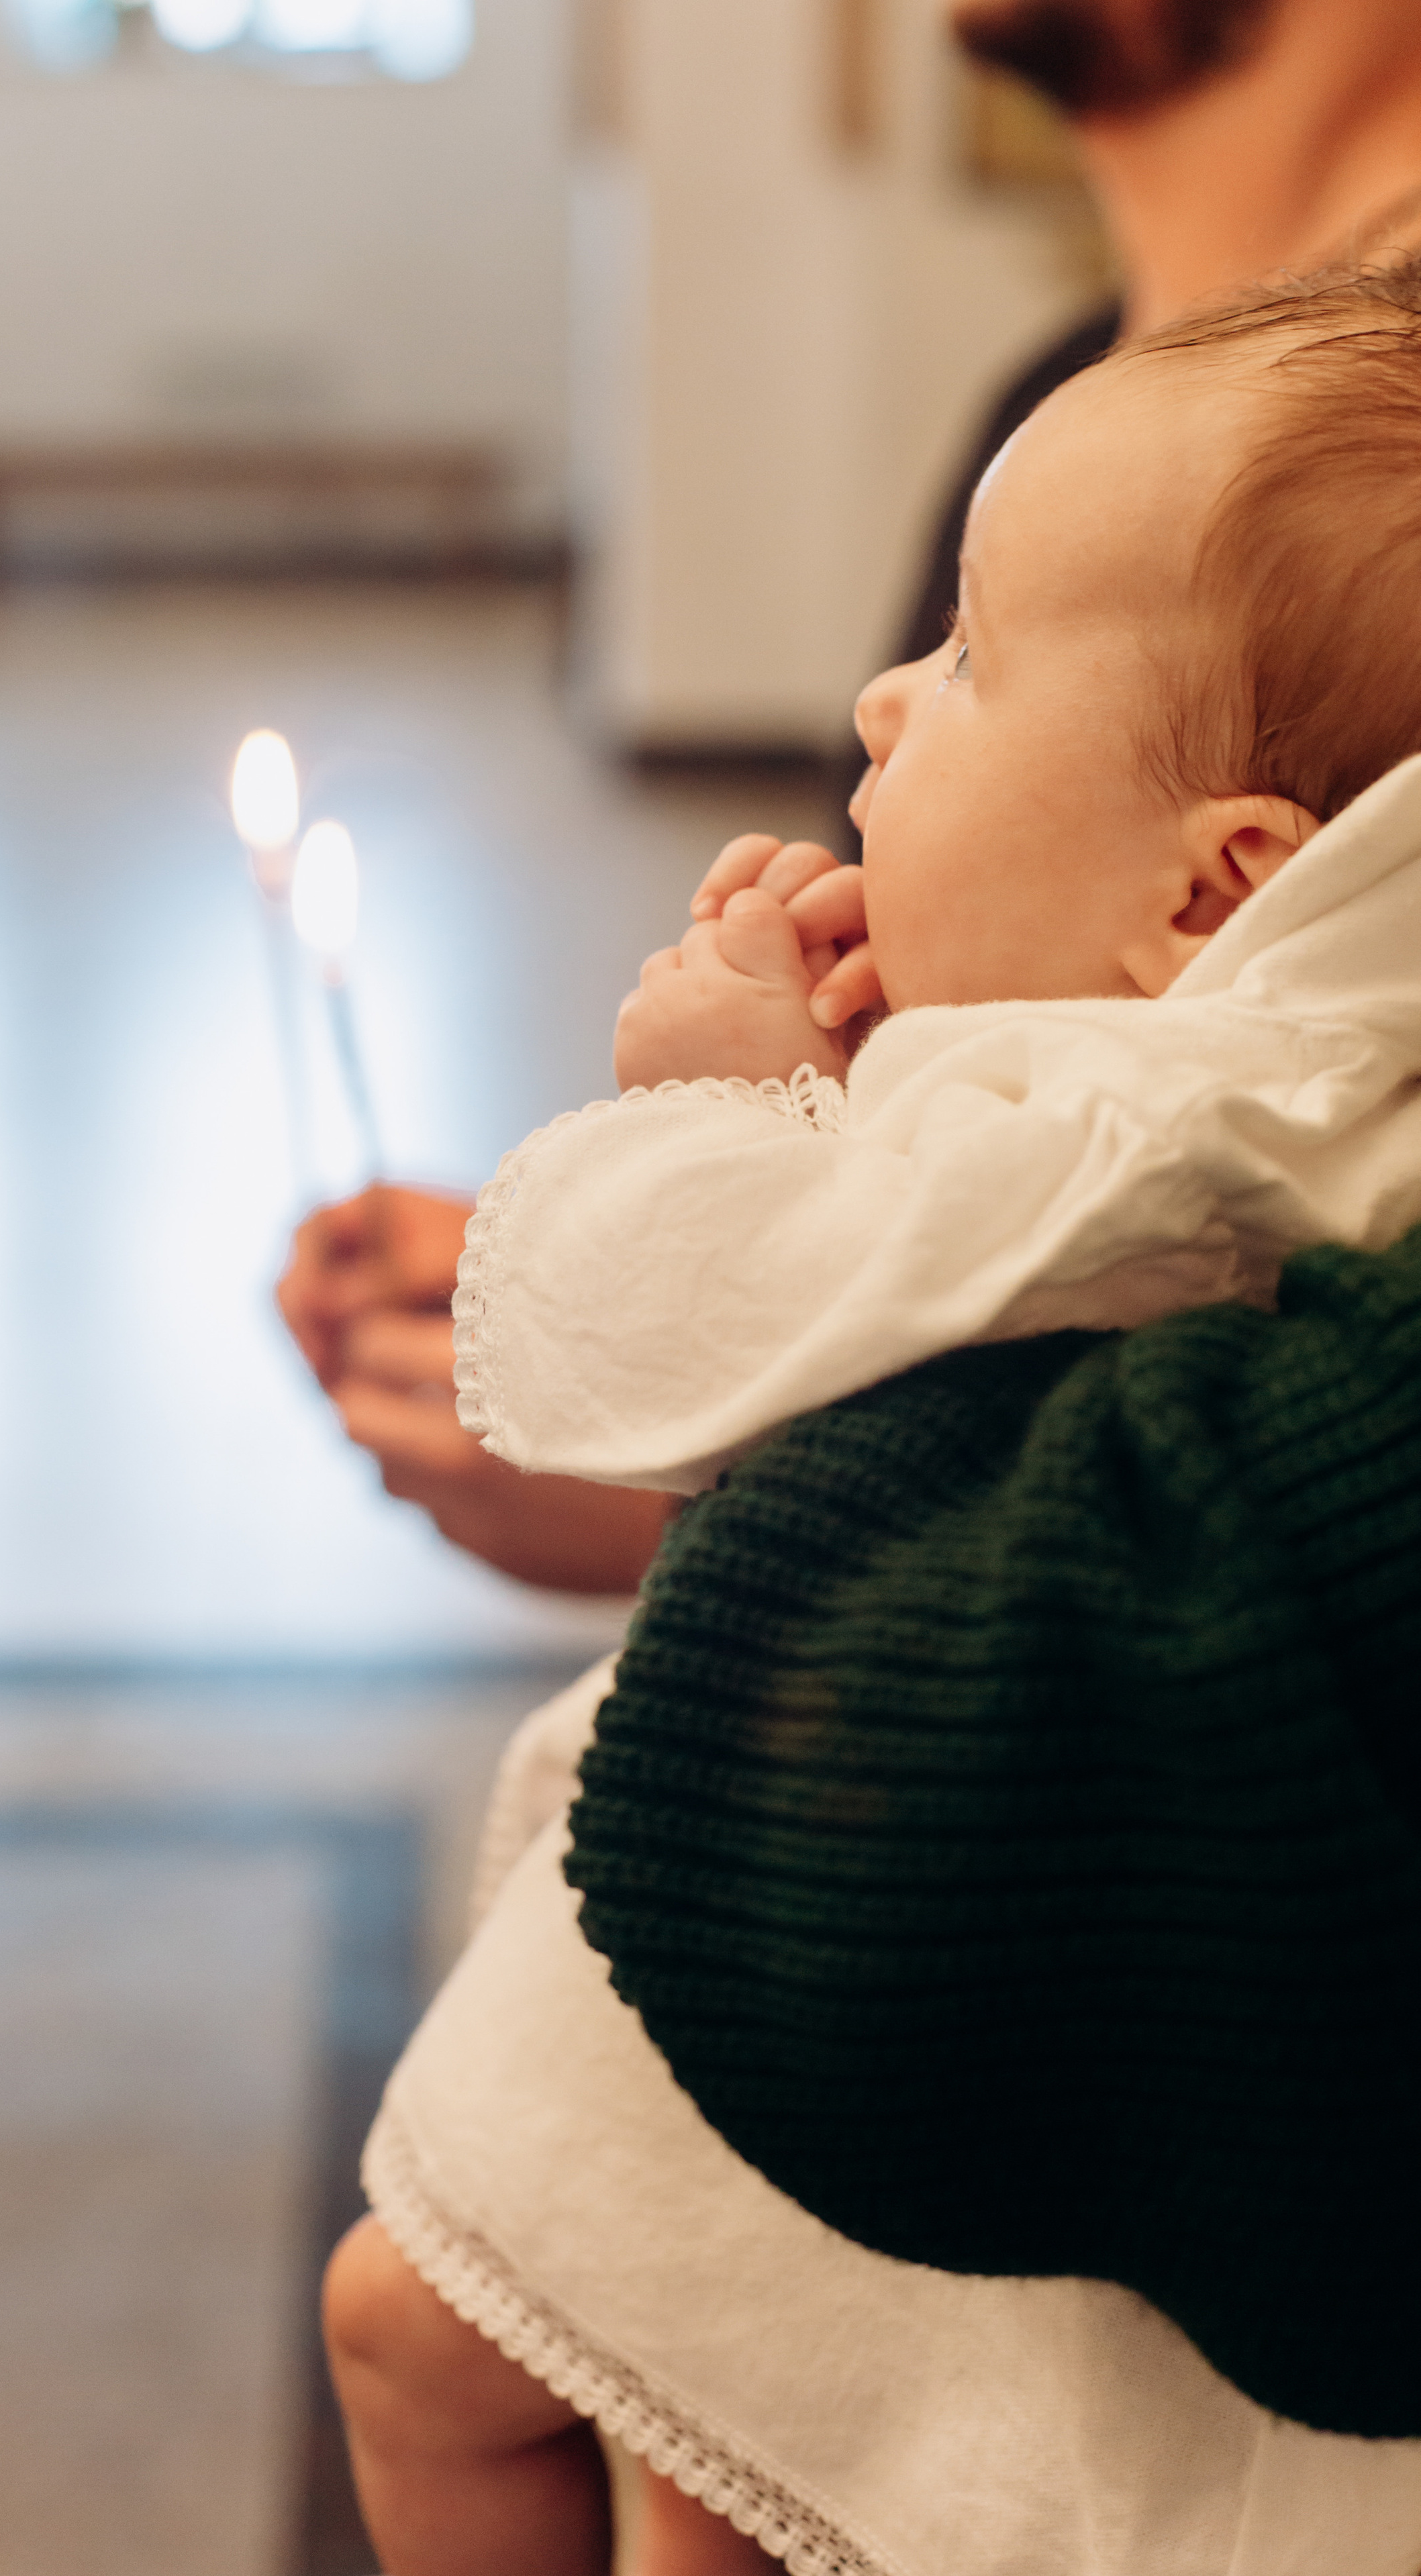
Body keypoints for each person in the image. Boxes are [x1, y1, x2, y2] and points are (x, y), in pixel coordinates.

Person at [322, 254, 1421, 2575]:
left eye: (974, 652)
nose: (881, 695)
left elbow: (648, 1342)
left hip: (877, 1936)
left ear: (1214, 887)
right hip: (972, 1942)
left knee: (424, 2327)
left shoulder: (1117, 1118)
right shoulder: (1289, 1084)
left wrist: (722, 1115)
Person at [276, 0, 1421, 1595]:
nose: (893, 707)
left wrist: (710, 1432)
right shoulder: (1053, 394)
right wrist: (632, 1284)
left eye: (973, 656)